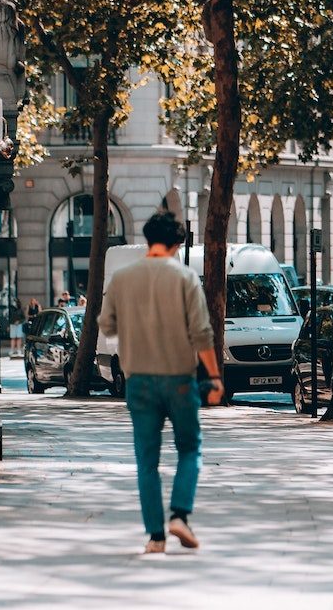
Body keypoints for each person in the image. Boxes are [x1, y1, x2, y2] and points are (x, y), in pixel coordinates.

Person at [98, 211, 223, 554]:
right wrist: (213, 376)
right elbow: (202, 334)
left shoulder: (122, 279)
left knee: (147, 461)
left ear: (150, 238)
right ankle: (179, 514)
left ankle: (155, 536)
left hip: (138, 380)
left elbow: (106, 326)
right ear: (177, 243)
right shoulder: (185, 278)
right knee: (189, 448)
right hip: (180, 379)